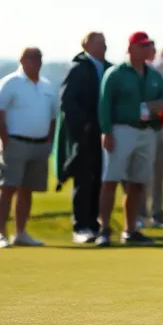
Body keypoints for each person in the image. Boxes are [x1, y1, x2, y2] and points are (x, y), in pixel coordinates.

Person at [96, 32, 163, 246]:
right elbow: (104, 103)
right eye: (142, 46)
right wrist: (106, 131)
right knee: (111, 180)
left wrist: (160, 107)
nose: (146, 50)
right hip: (121, 129)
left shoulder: (153, 75)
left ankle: (131, 229)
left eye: (148, 46)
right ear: (131, 48)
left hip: (147, 131)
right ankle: (104, 229)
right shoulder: (116, 73)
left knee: (138, 182)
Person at [0, 48, 58, 248]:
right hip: (14, 142)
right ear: (22, 60)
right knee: (7, 188)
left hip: (39, 144)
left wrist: (49, 139)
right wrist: (4, 138)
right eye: (32, 58)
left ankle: (21, 233)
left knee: (27, 190)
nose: (36, 62)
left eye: (39, 58)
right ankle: (0, 234)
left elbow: (53, 117)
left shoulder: (46, 86)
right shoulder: (9, 83)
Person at [56, 32, 109, 243]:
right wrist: (83, 127)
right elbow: (67, 101)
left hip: (105, 133)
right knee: (84, 180)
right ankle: (81, 226)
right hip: (85, 135)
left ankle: (95, 224)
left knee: (100, 180)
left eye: (105, 43)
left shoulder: (108, 68)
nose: (104, 46)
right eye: (99, 43)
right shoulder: (78, 68)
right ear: (86, 45)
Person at [140, 3, 163, 230]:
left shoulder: (160, 68)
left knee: (159, 172)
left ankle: (156, 211)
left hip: (158, 126)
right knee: (139, 173)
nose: (152, 51)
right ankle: (139, 213)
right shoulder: (129, 70)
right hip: (138, 127)